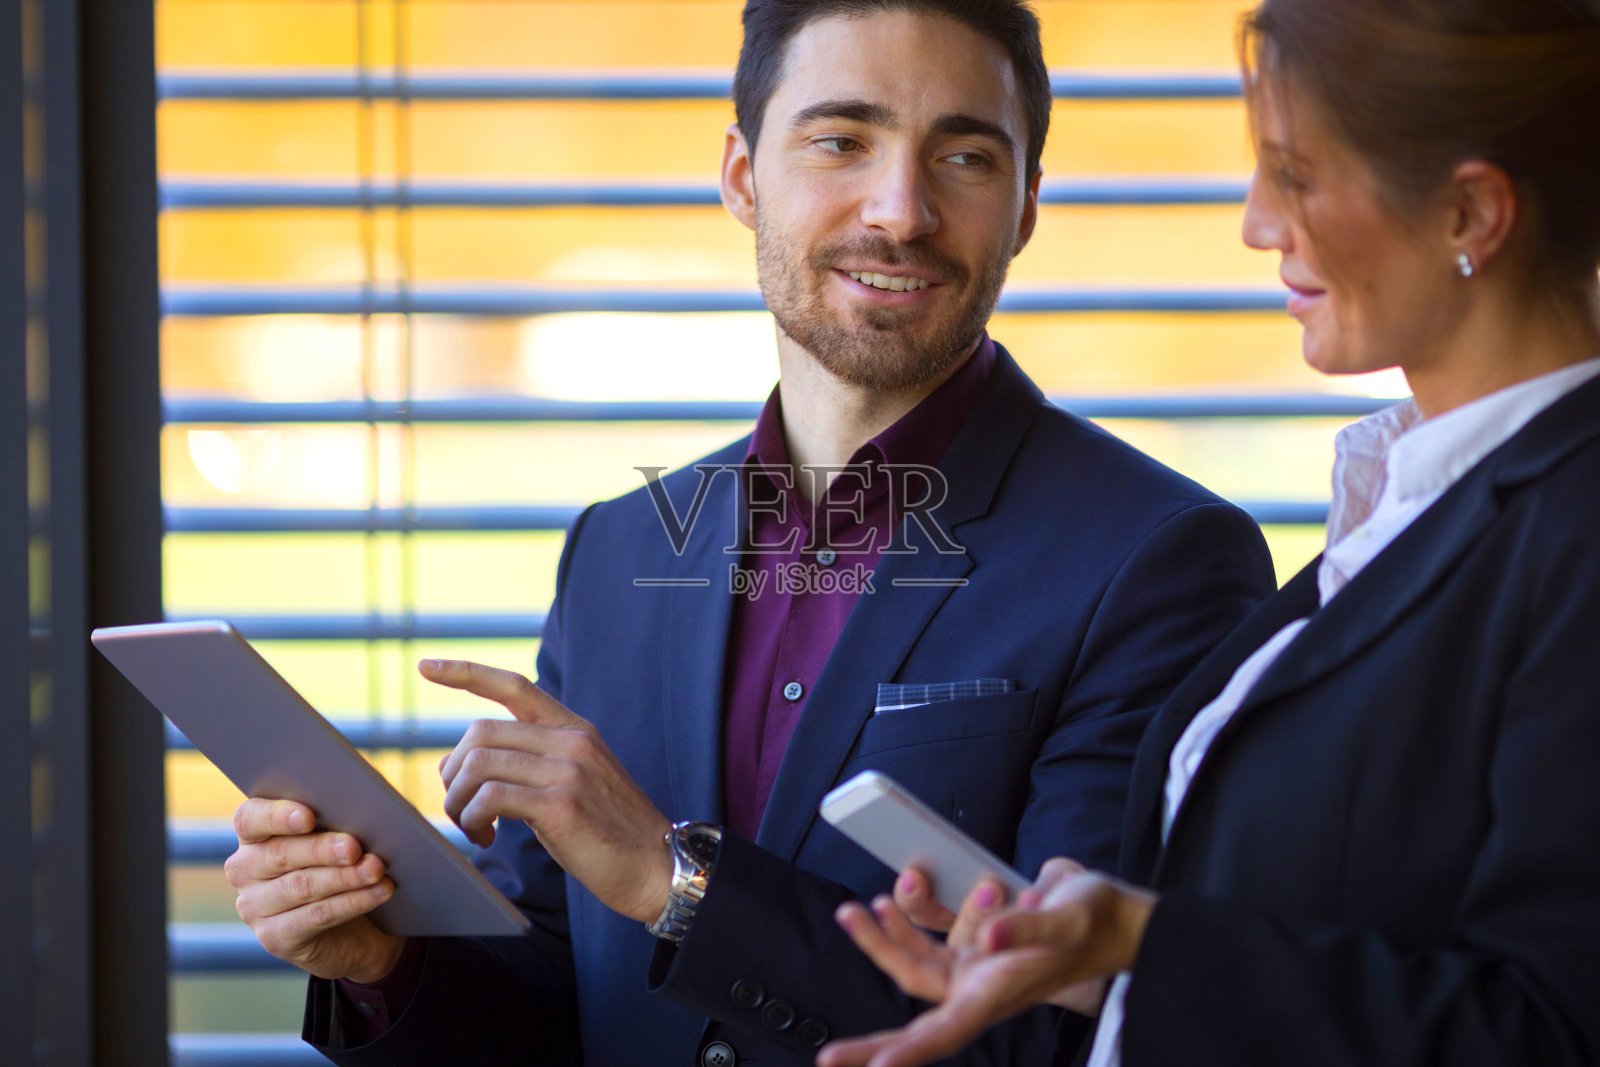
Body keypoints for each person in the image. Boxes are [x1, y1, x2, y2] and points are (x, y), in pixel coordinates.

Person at [222, 3, 1277, 1065]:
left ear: (1025, 205)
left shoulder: (1162, 560)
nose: (900, 211)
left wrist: (673, 880)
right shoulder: (617, 555)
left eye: (962, 155)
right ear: (741, 176)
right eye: (841, 142)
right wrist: (383, 963)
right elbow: (561, 1003)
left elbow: (1070, 1034)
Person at [819, 0, 1600, 1065]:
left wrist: (1147, 940)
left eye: (1296, 174)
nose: (1256, 223)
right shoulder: (1415, 499)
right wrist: (1093, 962)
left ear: (1468, 213)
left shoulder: (1572, 528)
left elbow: (1551, 1029)